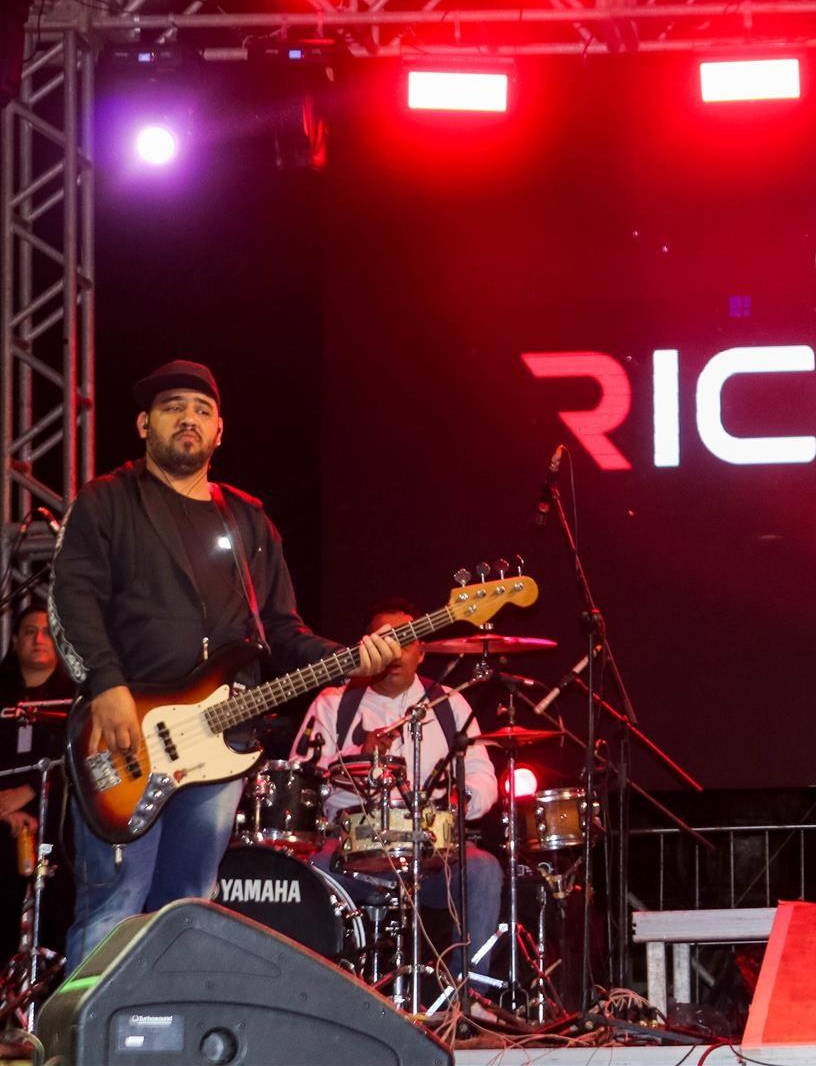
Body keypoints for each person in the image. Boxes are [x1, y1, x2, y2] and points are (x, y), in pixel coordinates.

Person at [48, 359, 401, 966]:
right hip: (127, 730)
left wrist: (350, 661)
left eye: (202, 410)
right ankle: (92, 1025)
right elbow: (72, 596)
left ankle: (171, 1025)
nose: (188, 417)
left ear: (219, 431)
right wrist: (105, 685)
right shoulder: (107, 500)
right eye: (172, 407)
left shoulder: (247, 520)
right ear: (143, 425)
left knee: (190, 906)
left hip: (221, 741)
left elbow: (281, 631)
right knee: (115, 904)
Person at [295, 597, 503, 978]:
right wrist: (359, 757)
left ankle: (469, 993)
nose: (393, 652)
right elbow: (301, 778)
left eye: (405, 641)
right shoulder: (333, 703)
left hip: (432, 854)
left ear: (421, 653)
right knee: (307, 871)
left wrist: (459, 800)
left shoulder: (450, 705)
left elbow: (482, 776)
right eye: (383, 641)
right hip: (350, 853)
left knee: (483, 870)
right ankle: (317, 986)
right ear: (366, 648)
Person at [0, 608, 74, 946]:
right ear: (15, 640)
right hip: (4, 820)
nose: (38, 639)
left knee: (59, 913)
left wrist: (29, 792)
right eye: (30, 631)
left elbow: (80, 759)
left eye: (47, 632)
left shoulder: (77, 697)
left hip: (55, 824)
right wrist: (5, 809)